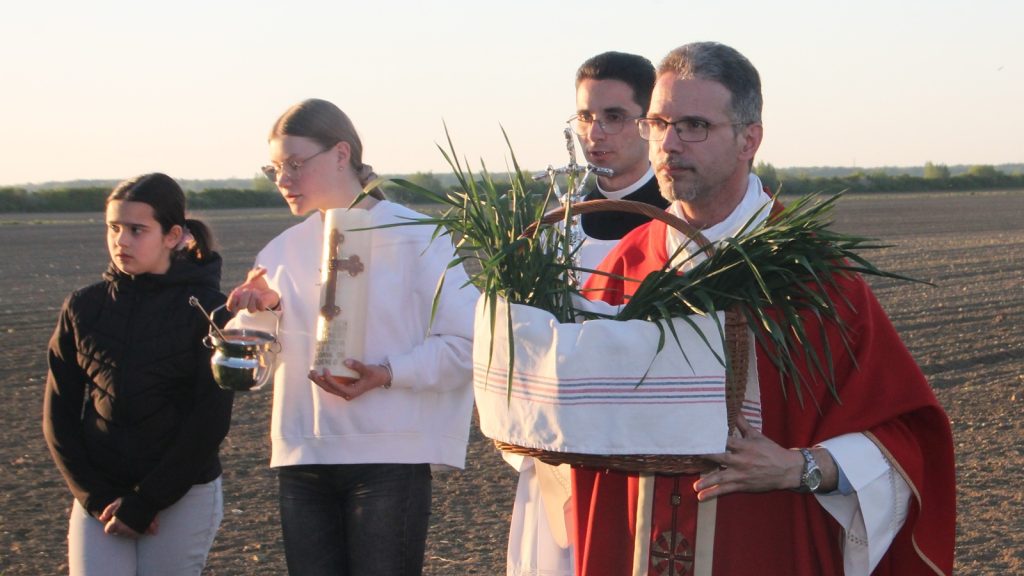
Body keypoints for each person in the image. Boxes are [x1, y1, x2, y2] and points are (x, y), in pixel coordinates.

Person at [575, 42, 955, 575]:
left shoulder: (811, 277)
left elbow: (907, 440)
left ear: (748, 139)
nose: (668, 144)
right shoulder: (624, 266)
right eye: (658, 124)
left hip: (765, 546)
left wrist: (801, 468)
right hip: (632, 544)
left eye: (694, 126)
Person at [225, 98, 477, 576]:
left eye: (296, 164)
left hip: (389, 458)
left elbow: (467, 344)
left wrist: (388, 374)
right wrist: (260, 314)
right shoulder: (280, 251)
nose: (283, 180)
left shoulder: (419, 235)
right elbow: (252, 371)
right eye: (275, 167)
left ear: (342, 154)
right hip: (304, 460)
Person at [505, 51, 670, 576]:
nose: (593, 132)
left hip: (642, 451)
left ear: (650, 123)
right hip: (555, 447)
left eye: (613, 117)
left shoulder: (676, 225)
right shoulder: (555, 223)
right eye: (583, 117)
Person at [43, 173, 234, 576]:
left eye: (136, 229)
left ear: (172, 235)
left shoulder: (210, 311)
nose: (121, 241)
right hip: (100, 498)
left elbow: (210, 419)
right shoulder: (82, 307)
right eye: (113, 228)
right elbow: (58, 414)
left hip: (183, 495)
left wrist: (147, 501)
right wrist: (95, 498)